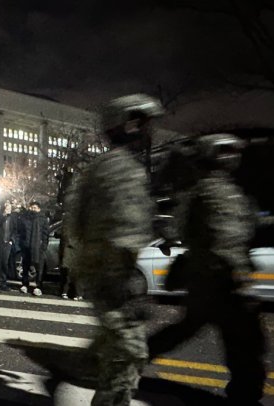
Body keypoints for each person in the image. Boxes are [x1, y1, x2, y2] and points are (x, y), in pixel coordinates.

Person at [147, 134, 266, 405]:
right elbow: (225, 238)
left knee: (186, 329)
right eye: (225, 152)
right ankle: (245, 396)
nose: (233, 157)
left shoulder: (213, 189)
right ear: (212, 155)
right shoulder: (217, 192)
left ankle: (131, 359)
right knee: (246, 345)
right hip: (222, 281)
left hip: (207, 279)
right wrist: (241, 280)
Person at [65, 94, 164, 405]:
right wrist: (127, 289)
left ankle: (91, 359)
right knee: (128, 356)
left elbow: (76, 223)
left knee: (117, 346)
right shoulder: (123, 170)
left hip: (101, 274)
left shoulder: (101, 167)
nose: (152, 131)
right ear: (131, 124)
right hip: (113, 279)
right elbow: (123, 237)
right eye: (147, 124)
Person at [18, 201, 49, 296]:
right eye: (31, 207)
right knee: (25, 266)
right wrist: (22, 243)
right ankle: (25, 284)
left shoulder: (43, 219)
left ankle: (38, 286)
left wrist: (43, 246)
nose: (33, 209)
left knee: (39, 267)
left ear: (39, 209)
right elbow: (20, 231)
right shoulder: (25, 218)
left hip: (38, 247)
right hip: (26, 246)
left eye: (35, 207)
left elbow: (45, 234)